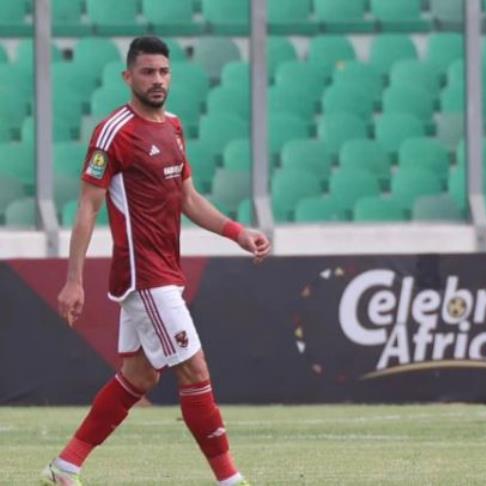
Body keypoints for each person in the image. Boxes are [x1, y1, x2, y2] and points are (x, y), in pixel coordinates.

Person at [41, 36, 269, 486]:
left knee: (140, 375)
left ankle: (66, 466)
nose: (157, 80)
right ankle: (229, 480)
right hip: (144, 274)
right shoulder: (114, 133)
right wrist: (74, 281)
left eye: (163, 71)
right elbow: (88, 207)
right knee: (195, 369)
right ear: (128, 77)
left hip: (165, 271)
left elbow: (188, 198)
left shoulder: (175, 127)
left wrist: (238, 232)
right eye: (147, 72)